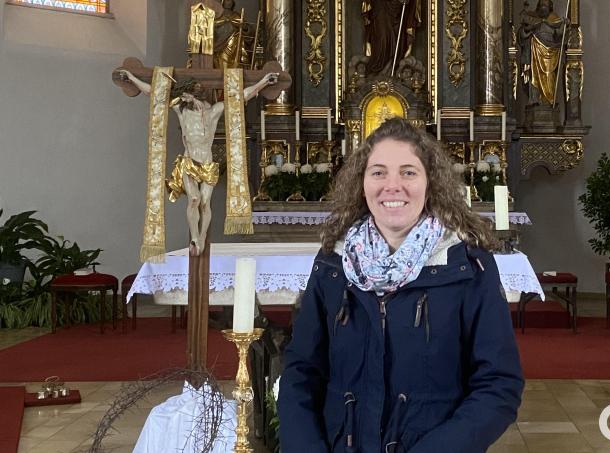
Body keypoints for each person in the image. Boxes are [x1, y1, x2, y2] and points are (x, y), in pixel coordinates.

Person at [278, 117, 523, 453]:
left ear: (430, 182)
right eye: (378, 172)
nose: (392, 185)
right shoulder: (333, 265)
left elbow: (499, 385)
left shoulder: (468, 266)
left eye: (408, 172)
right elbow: (301, 373)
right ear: (362, 183)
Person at [117, 69, 279, 255]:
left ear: (198, 96)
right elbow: (154, 93)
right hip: (189, 161)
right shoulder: (181, 110)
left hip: (207, 163)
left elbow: (241, 97)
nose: (187, 99)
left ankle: (202, 237)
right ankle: (194, 238)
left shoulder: (214, 112)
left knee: (204, 204)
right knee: (194, 199)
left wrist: (264, 82)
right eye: (186, 95)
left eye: (191, 96)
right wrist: (132, 78)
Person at [518, 0, 565, 105]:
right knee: (533, 77)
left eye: (546, 5)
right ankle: (535, 100)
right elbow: (522, 35)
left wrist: (562, 27)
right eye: (541, 5)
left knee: (549, 76)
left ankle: (549, 100)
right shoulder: (533, 19)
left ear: (550, 8)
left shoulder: (555, 20)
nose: (543, 8)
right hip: (534, 52)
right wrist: (527, 31)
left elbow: (559, 37)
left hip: (551, 54)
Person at [362, 0, 422, 75]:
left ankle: (392, 68)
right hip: (380, 6)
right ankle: (377, 69)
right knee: (382, 36)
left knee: (397, 39)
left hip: (397, 7)